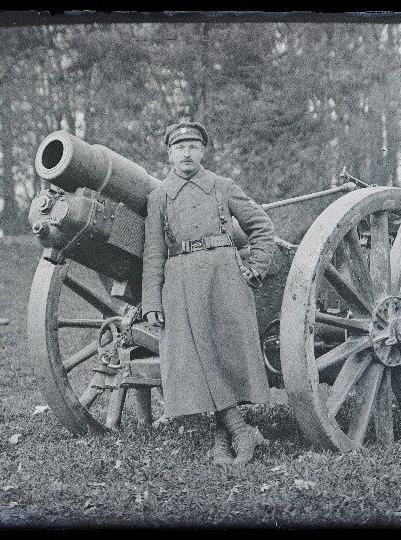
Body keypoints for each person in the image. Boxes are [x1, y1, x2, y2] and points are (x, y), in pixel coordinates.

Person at [141, 121, 276, 466]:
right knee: (196, 357)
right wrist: (152, 302)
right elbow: (154, 253)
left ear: (202, 151)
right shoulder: (158, 197)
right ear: (169, 153)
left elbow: (262, 226)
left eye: (193, 147)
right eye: (179, 148)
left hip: (224, 280)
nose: (186, 154)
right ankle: (238, 430)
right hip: (180, 283)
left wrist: (256, 266)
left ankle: (223, 439)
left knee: (224, 353)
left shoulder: (222, 186)